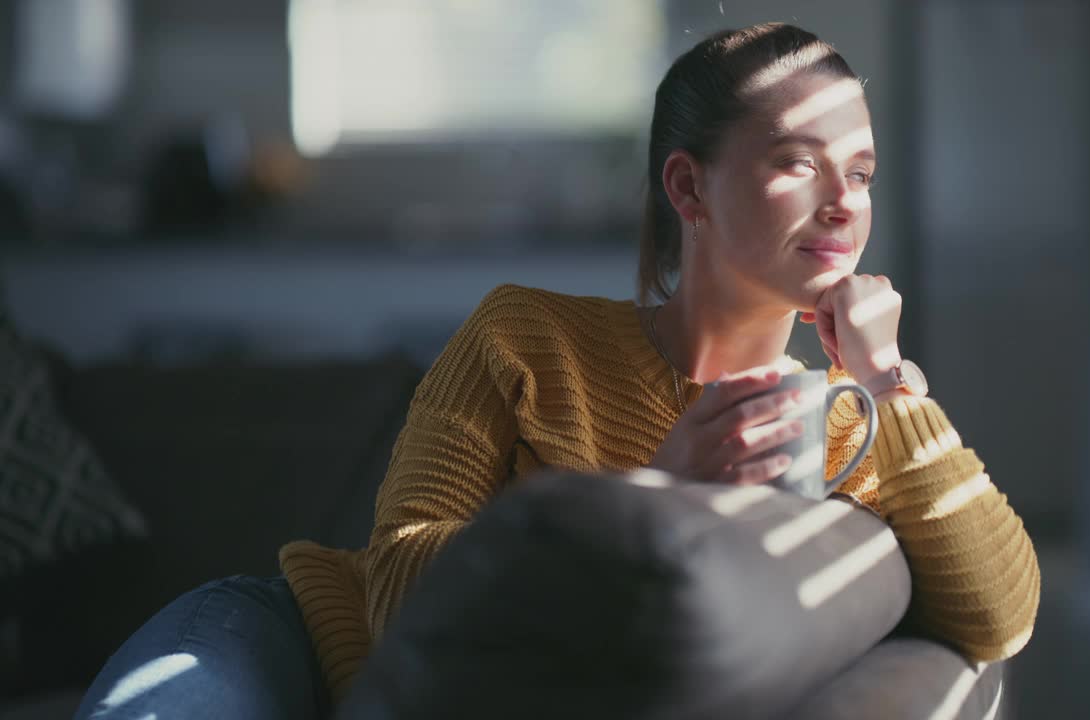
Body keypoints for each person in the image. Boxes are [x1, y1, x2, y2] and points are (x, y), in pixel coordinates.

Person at [74, 22, 1040, 719]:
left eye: (862, 173)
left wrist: (885, 379)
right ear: (688, 186)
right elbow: (401, 583)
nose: (843, 205)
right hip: (297, 642)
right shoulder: (523, 333)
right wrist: (655, 490)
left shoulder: (848, 422)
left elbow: (1000, 616)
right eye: (798, 162)